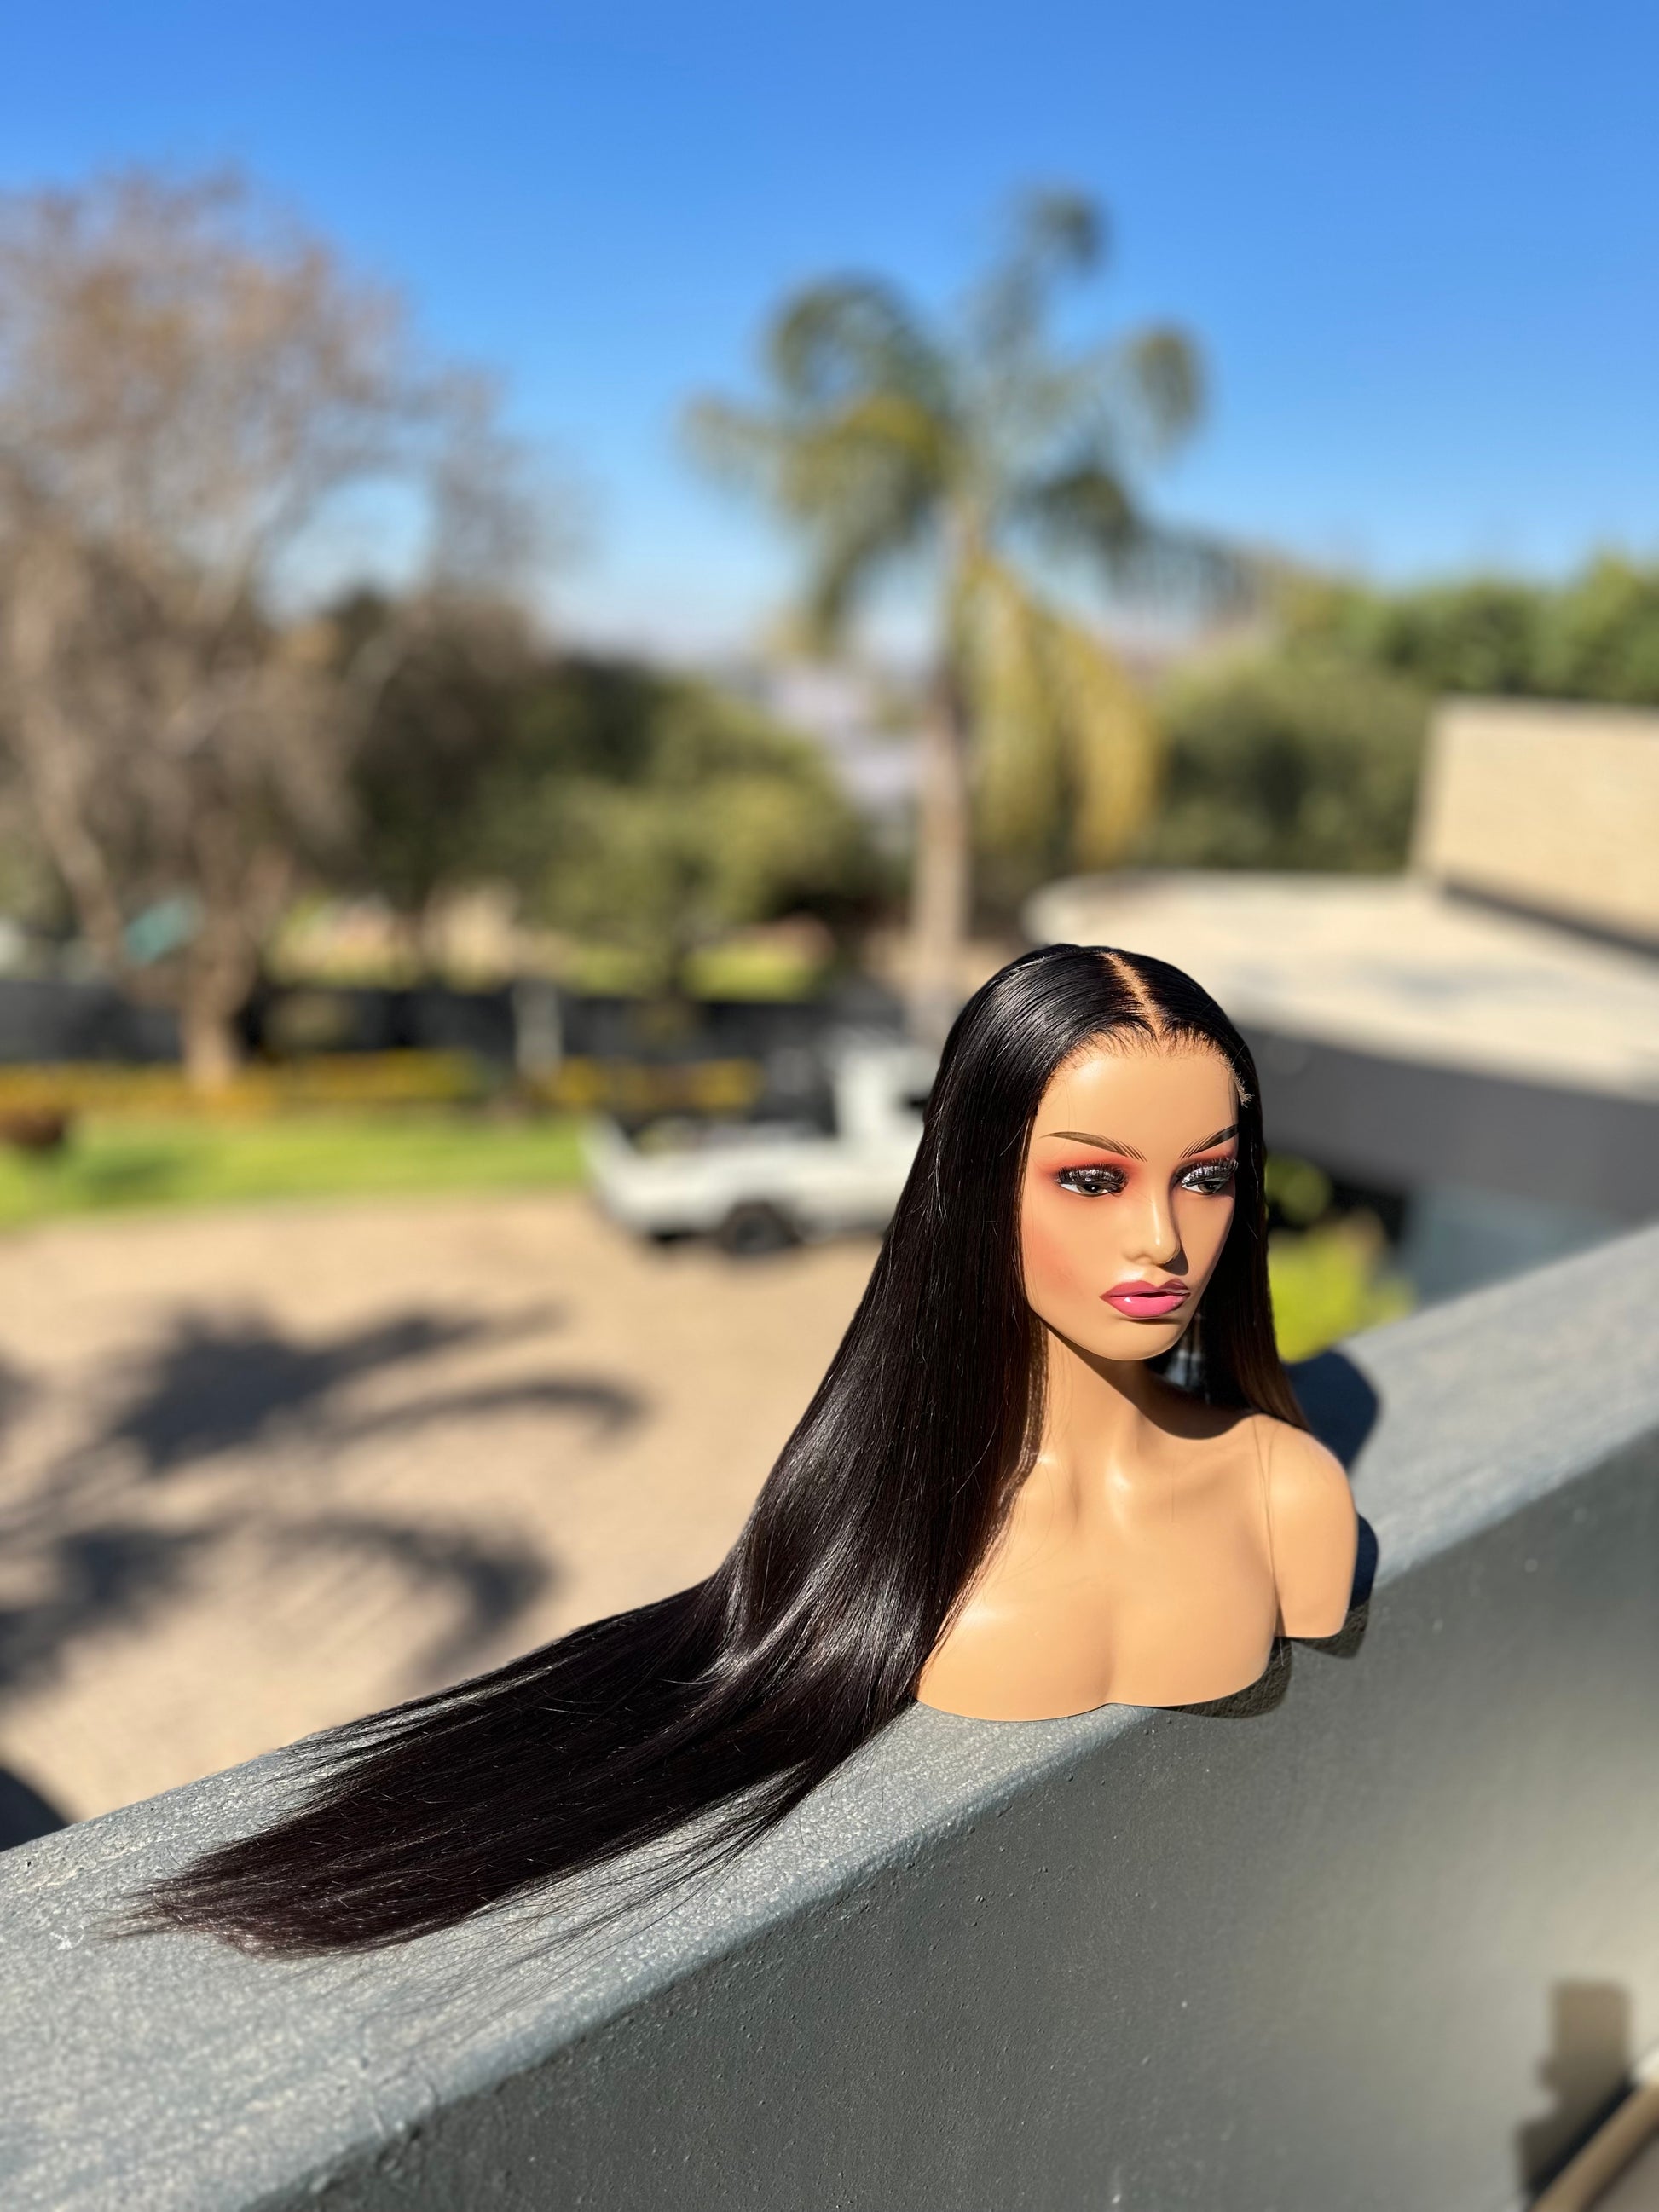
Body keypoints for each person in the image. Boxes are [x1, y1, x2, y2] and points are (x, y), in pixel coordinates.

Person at [134, 944, 1356, 1955]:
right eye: (1092, 1180)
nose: (1163, 1241)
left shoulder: (1283, 1493)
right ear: (978, 1185)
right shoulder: (890, 1526)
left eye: (1206, 1178)